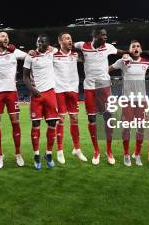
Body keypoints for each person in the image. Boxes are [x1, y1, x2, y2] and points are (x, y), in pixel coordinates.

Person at [74, 28, 129, 165]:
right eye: (103, 35)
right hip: (89, 87)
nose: (105, 37)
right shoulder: (83, 45)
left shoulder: (108, 47)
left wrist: (127, 55)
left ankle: (108, 151)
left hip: (104, 87)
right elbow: (68, 46)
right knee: (92, 118)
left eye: (106, 34)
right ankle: (96, 150)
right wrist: (78, 52)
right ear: (95, 35)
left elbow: (121, 51)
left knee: (108, 117)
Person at [109, 40, 149, 166]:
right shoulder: (123, 61)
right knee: (126, 128)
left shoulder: (147, 62)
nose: (136, 48)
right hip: (127, 100)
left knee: (141, 128)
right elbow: (108, 69)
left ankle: (137, 154)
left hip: (141, 101)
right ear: (129, 49)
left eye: (138, 46)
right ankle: (126, 154)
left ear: (141, 49)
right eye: (133, 46)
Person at [0, 32, 27, 169]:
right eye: (2, 36)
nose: (5, 38)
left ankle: (18, 153)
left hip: (11, 92)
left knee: (15, 122)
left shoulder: (14, 51)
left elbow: (29, 57)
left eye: (7, 37)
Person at [23, 34, 60, 169]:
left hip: (50, 93)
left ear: (47, 44)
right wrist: (32, 90)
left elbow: (60, 47)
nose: (39, 43)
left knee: (52, 124)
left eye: (42, 42)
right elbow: (25, 76)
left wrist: (51, 47)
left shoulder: (52, 52)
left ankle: (48, 153)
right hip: (37, 94)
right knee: (36, 125)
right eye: (38, 41)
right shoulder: (30, 56)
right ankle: (36, 155)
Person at [52, 32, 87, 163]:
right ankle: (60, 150)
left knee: (74, 118)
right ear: (60, 41)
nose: (70, 40)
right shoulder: (53, 55)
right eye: (67, 38)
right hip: (59, 90)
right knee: (60, 119)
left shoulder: (76, 55)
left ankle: (77, 149)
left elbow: (88, 56)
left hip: (73, 89)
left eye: (71, 39)